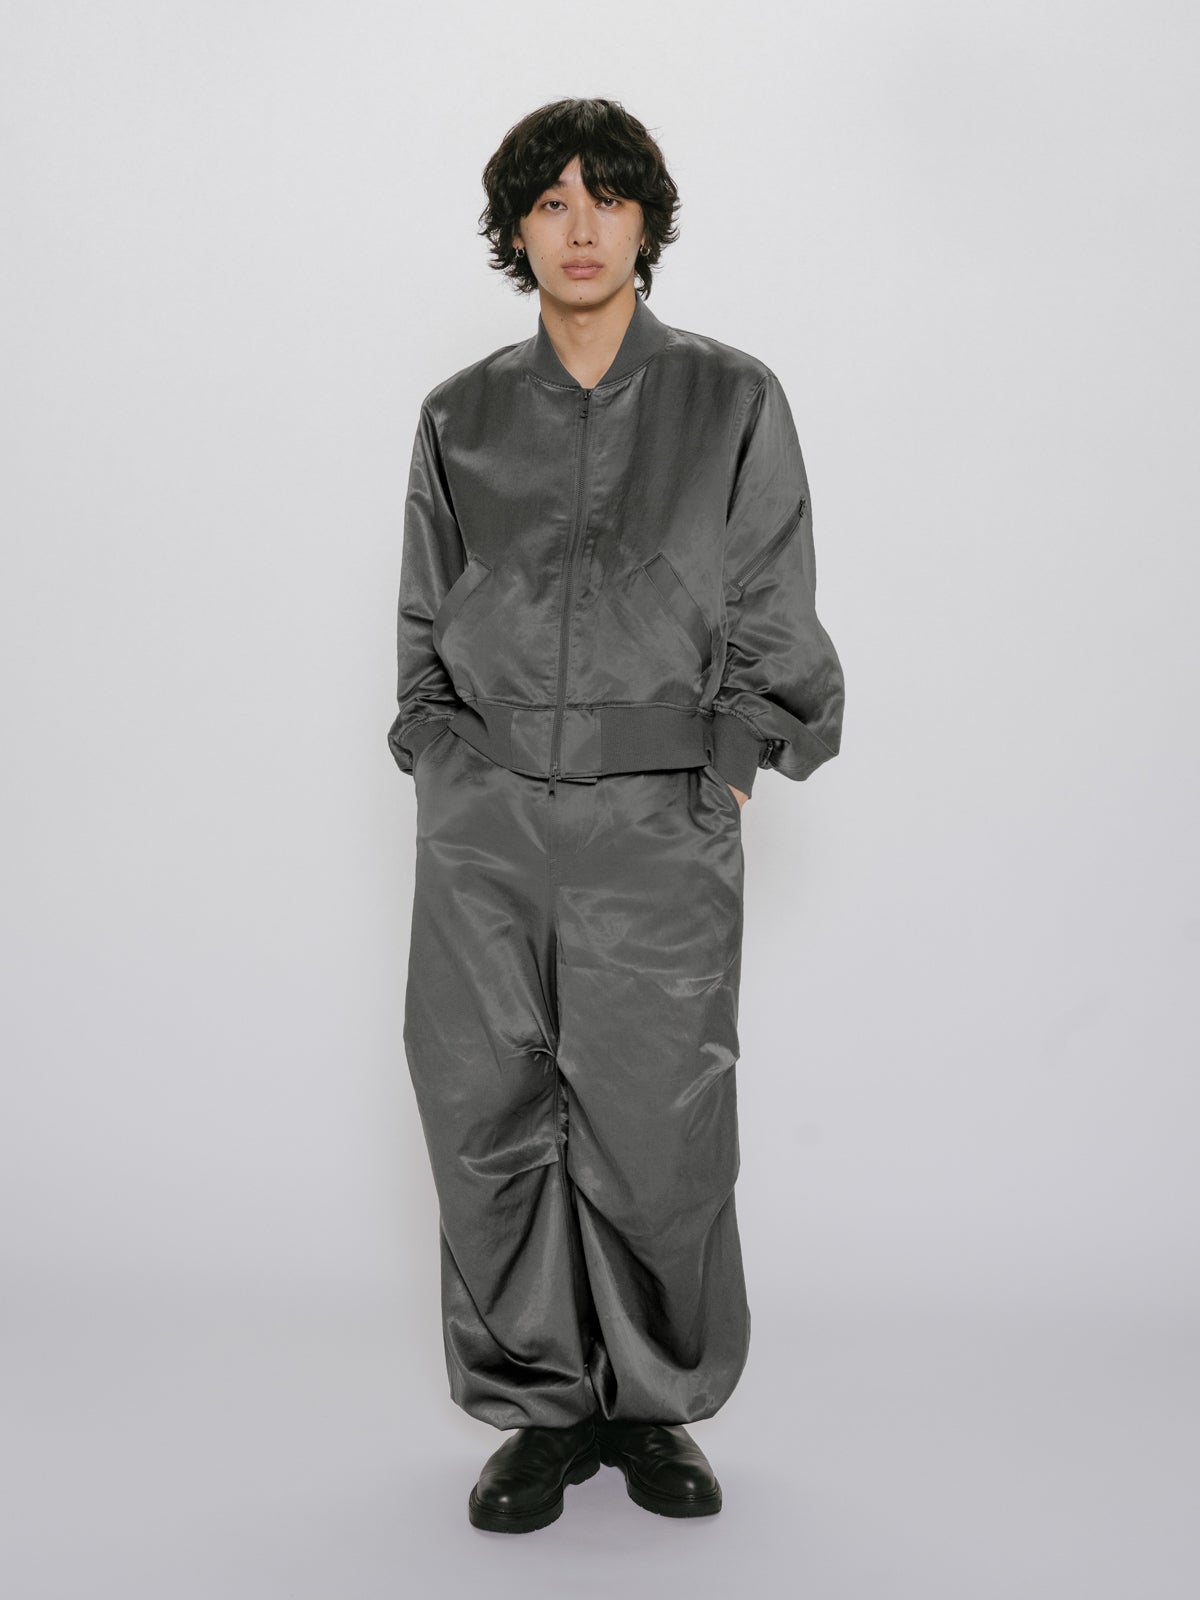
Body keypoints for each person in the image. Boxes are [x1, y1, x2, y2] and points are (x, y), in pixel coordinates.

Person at [388, 98, 845, 1534]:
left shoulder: (730, 400)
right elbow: (422, 619)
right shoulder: (460, 416)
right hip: (486, 825)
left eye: (607, 199)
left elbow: (772, 600)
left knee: (660, 1124)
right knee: (485, 1113)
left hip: (658, 816)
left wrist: (733, 761)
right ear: (516, 231)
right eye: (549, 203)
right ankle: (540, 1410)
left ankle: (652, 1407)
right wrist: (440, 756)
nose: (579, 228)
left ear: (648, 222)